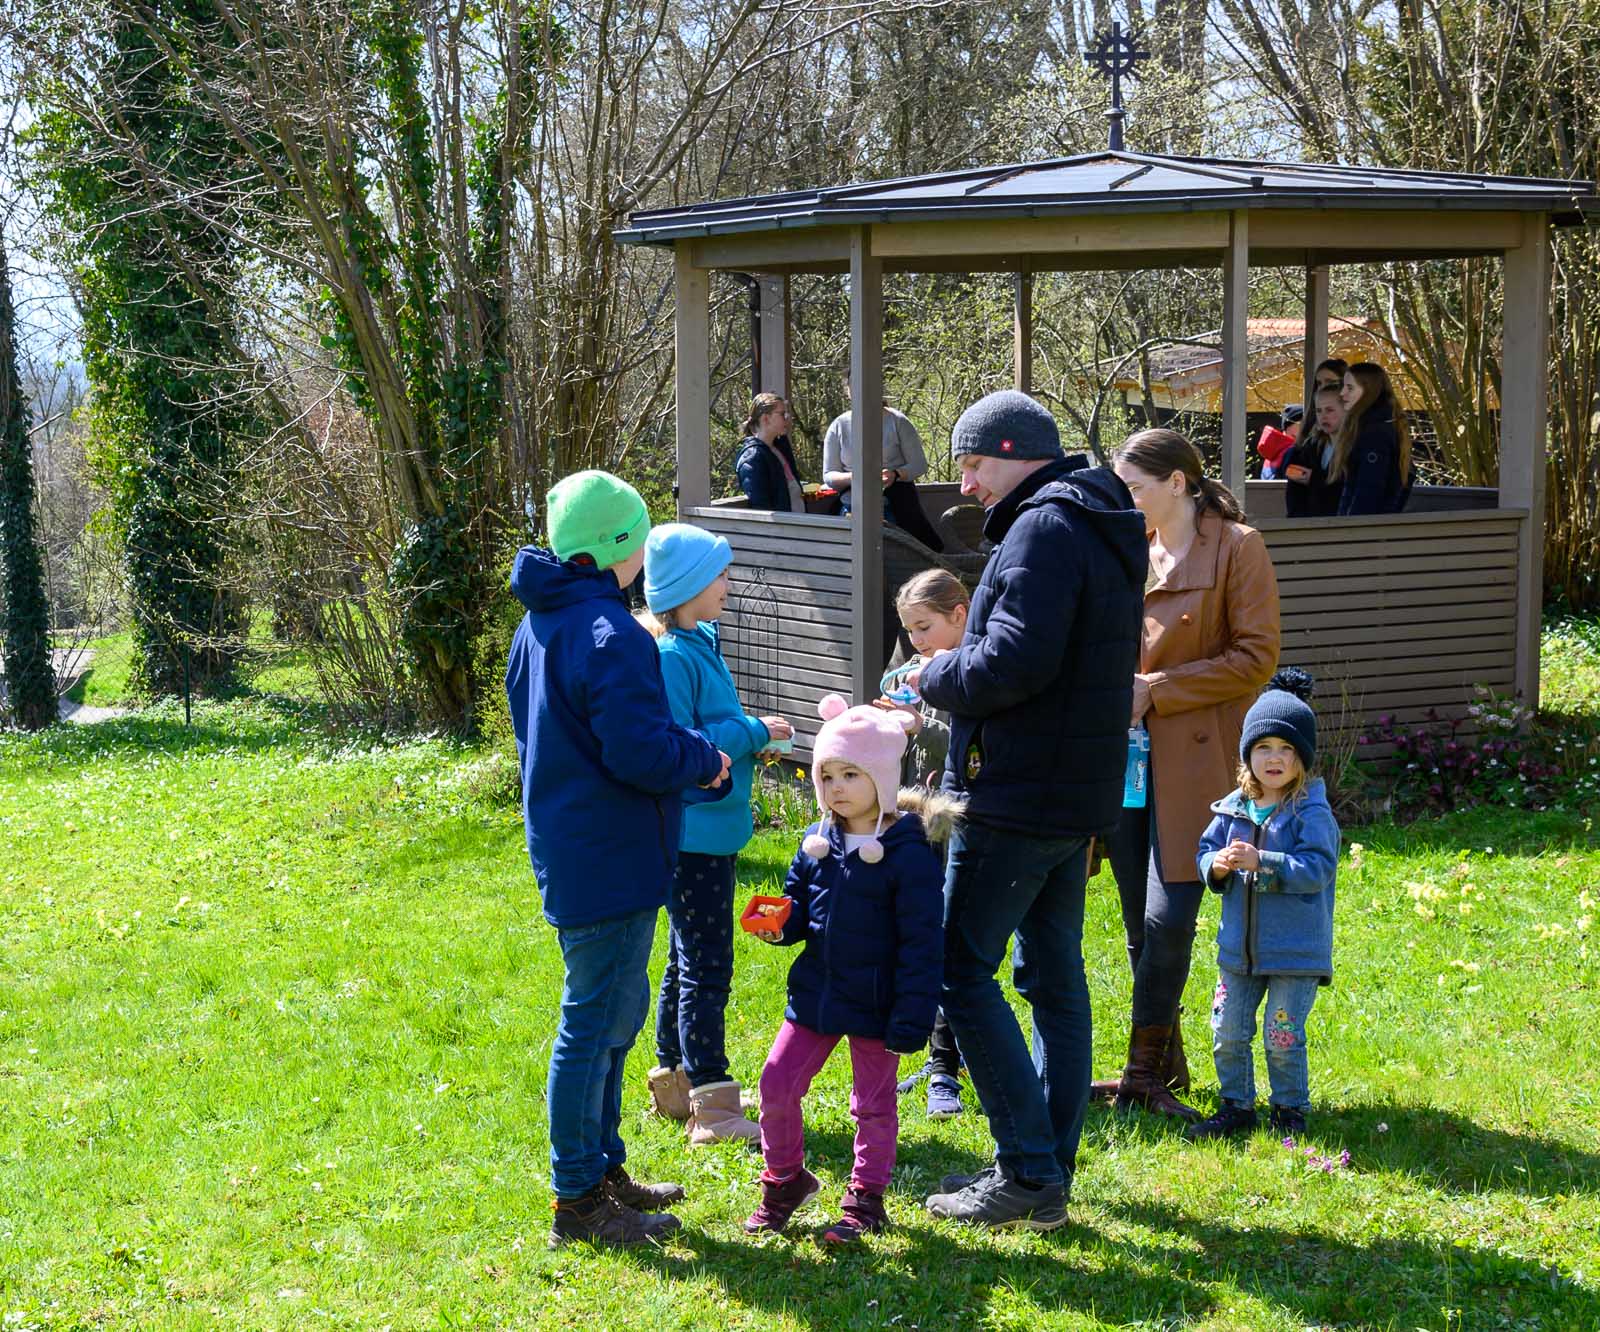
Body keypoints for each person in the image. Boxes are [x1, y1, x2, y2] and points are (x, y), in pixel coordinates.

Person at [911, 389, 1146, 1230]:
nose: (965, 485)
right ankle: (1048, 1164)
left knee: (958, 969)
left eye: (972, 464)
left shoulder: (1045, 528)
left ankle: (1026, 1172)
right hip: (1074, 791)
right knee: (1052, 978)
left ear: (1013, 453)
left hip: (1017, 794)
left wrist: (929, 675)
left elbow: (1011, 665)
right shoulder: (1095, 519)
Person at [506, 470, 732, 1249]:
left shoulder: (544, 623)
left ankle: (604, 1169)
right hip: (606, 854)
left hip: (581, 847)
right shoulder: (610, 632)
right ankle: (578, 1199)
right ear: (616, 548)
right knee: (593, 1022)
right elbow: (637, 750)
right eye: (637, 537)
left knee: (614, 1019)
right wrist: (702, 759)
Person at [1094, 429, 1280, 1124]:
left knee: (1168, 916)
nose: (1127, 499)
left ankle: (1142, 1074)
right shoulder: (1129, 546)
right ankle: (1162, 1068)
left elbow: (1256, 657)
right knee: (1137, 924)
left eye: (1136, 486)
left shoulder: (1238, 546)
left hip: (1198, 758)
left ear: (1177, 482)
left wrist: (1158, 689)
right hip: (1126, 759)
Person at [744, 695, 950, 1245]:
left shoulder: (908, 854)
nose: (835, 787)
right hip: (818, 993)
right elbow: (797, 909)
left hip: (878, 1003)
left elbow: (922, 944)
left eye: (850, 774)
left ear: (882, 778)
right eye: (827, 774)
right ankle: (785, 1179)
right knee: (777, 1083)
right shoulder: (817, 844)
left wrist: (913, 1015)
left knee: (872, 1105)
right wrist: (779, 927)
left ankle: (866, 1199)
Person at [641, 523, 794, 1144]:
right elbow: (686, 742)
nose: (729, 585)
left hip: (711, 832)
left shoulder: (698, 642)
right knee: (708, 966)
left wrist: (751, 736)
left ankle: (675, 1084)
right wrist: (755, 732)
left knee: (684, 958)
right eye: (720, 575)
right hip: (694, 835)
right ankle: (715, 1106)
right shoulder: (674, 657)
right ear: (687, 587)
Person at [1187, 670, 1339, 1142]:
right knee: (1227, 1031)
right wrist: (1216, 867)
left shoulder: (1309, 812)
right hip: (1238, 951)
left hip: (1293, 953)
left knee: (1282, 1036)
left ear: (1303, 759)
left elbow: (1317, 869)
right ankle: (1236, 1105)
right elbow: (1203, 853)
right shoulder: (1232, 809)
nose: (1274, 759)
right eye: (1263, 748)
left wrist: (1264, 861)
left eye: (1286, 750)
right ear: (1247, 755)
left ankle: (1289, 1109)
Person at [877, 569, 971, 1121]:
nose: (916, 640)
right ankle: (940, 1061)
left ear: (959, 615)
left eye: (925, 626)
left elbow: (965, 745)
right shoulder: (911, 665)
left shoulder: (976, 667)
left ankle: (946, 1069)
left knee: (951, 946)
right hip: (916, 822)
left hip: (957, 824)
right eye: (909, 630)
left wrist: (918, 727)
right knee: (917, 938)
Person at [822, 381, 945, 550]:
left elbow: (920, 465)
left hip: (897, 503)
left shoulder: (898, 421)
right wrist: (856, 476)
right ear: (848, 391)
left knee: (899, 555)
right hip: (851, 506)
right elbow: (829, 475)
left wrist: (896, 474)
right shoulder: (839, 425)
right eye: (853, 385)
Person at [1333, 361, 1414, 516]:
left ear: (1368, 391)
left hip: (1367, 530)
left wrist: (1349, 530)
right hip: (1375, 527)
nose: (1342, 393)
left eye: (1350, 388)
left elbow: (1369, 490)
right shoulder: (1383, 426)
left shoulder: (1375, 434)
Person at [1282, 384, 1346, 518]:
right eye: (1319, 411)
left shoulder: (1354, 447)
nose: (1323, 416)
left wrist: (1313, 478)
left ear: (1346, 410)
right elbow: (1294, 485)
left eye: (1330, 410)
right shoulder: (1311, 447)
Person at [735, 393, 806, 512]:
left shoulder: (779, 448)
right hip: (781, 528)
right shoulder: (753, 458)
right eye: (782, 414)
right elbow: (761, 508)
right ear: (766, 419)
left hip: (796, 525)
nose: (787, 417)